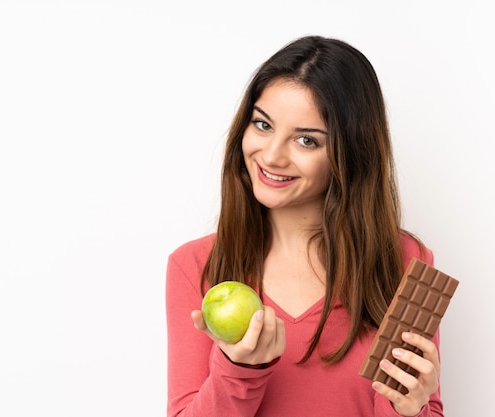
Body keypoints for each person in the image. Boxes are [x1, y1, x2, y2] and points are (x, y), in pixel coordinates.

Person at [166, 35, 445, 417]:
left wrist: (412, 409)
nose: (271, 155)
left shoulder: (405, 261)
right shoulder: (195, 265)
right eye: (262, 124)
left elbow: (415, 406)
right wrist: (239, 370)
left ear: (349, 154)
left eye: (306, 140)